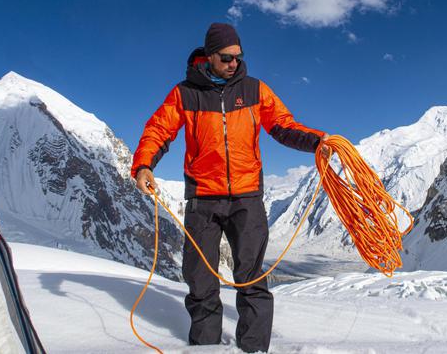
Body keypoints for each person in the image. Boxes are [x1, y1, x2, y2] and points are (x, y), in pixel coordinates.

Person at [130, 22, 329, 353]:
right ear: (210, 57)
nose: (234, 63)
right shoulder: (185, 93)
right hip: (202, 200)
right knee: (200, 282)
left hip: (247, 199)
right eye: (226, 57)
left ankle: (253, 350)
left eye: (238, 56)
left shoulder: (254, 90)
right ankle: (206, 348)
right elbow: (159, 130)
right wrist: (144, 165)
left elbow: (283, 126)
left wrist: (317, 142)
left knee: (251, 281)